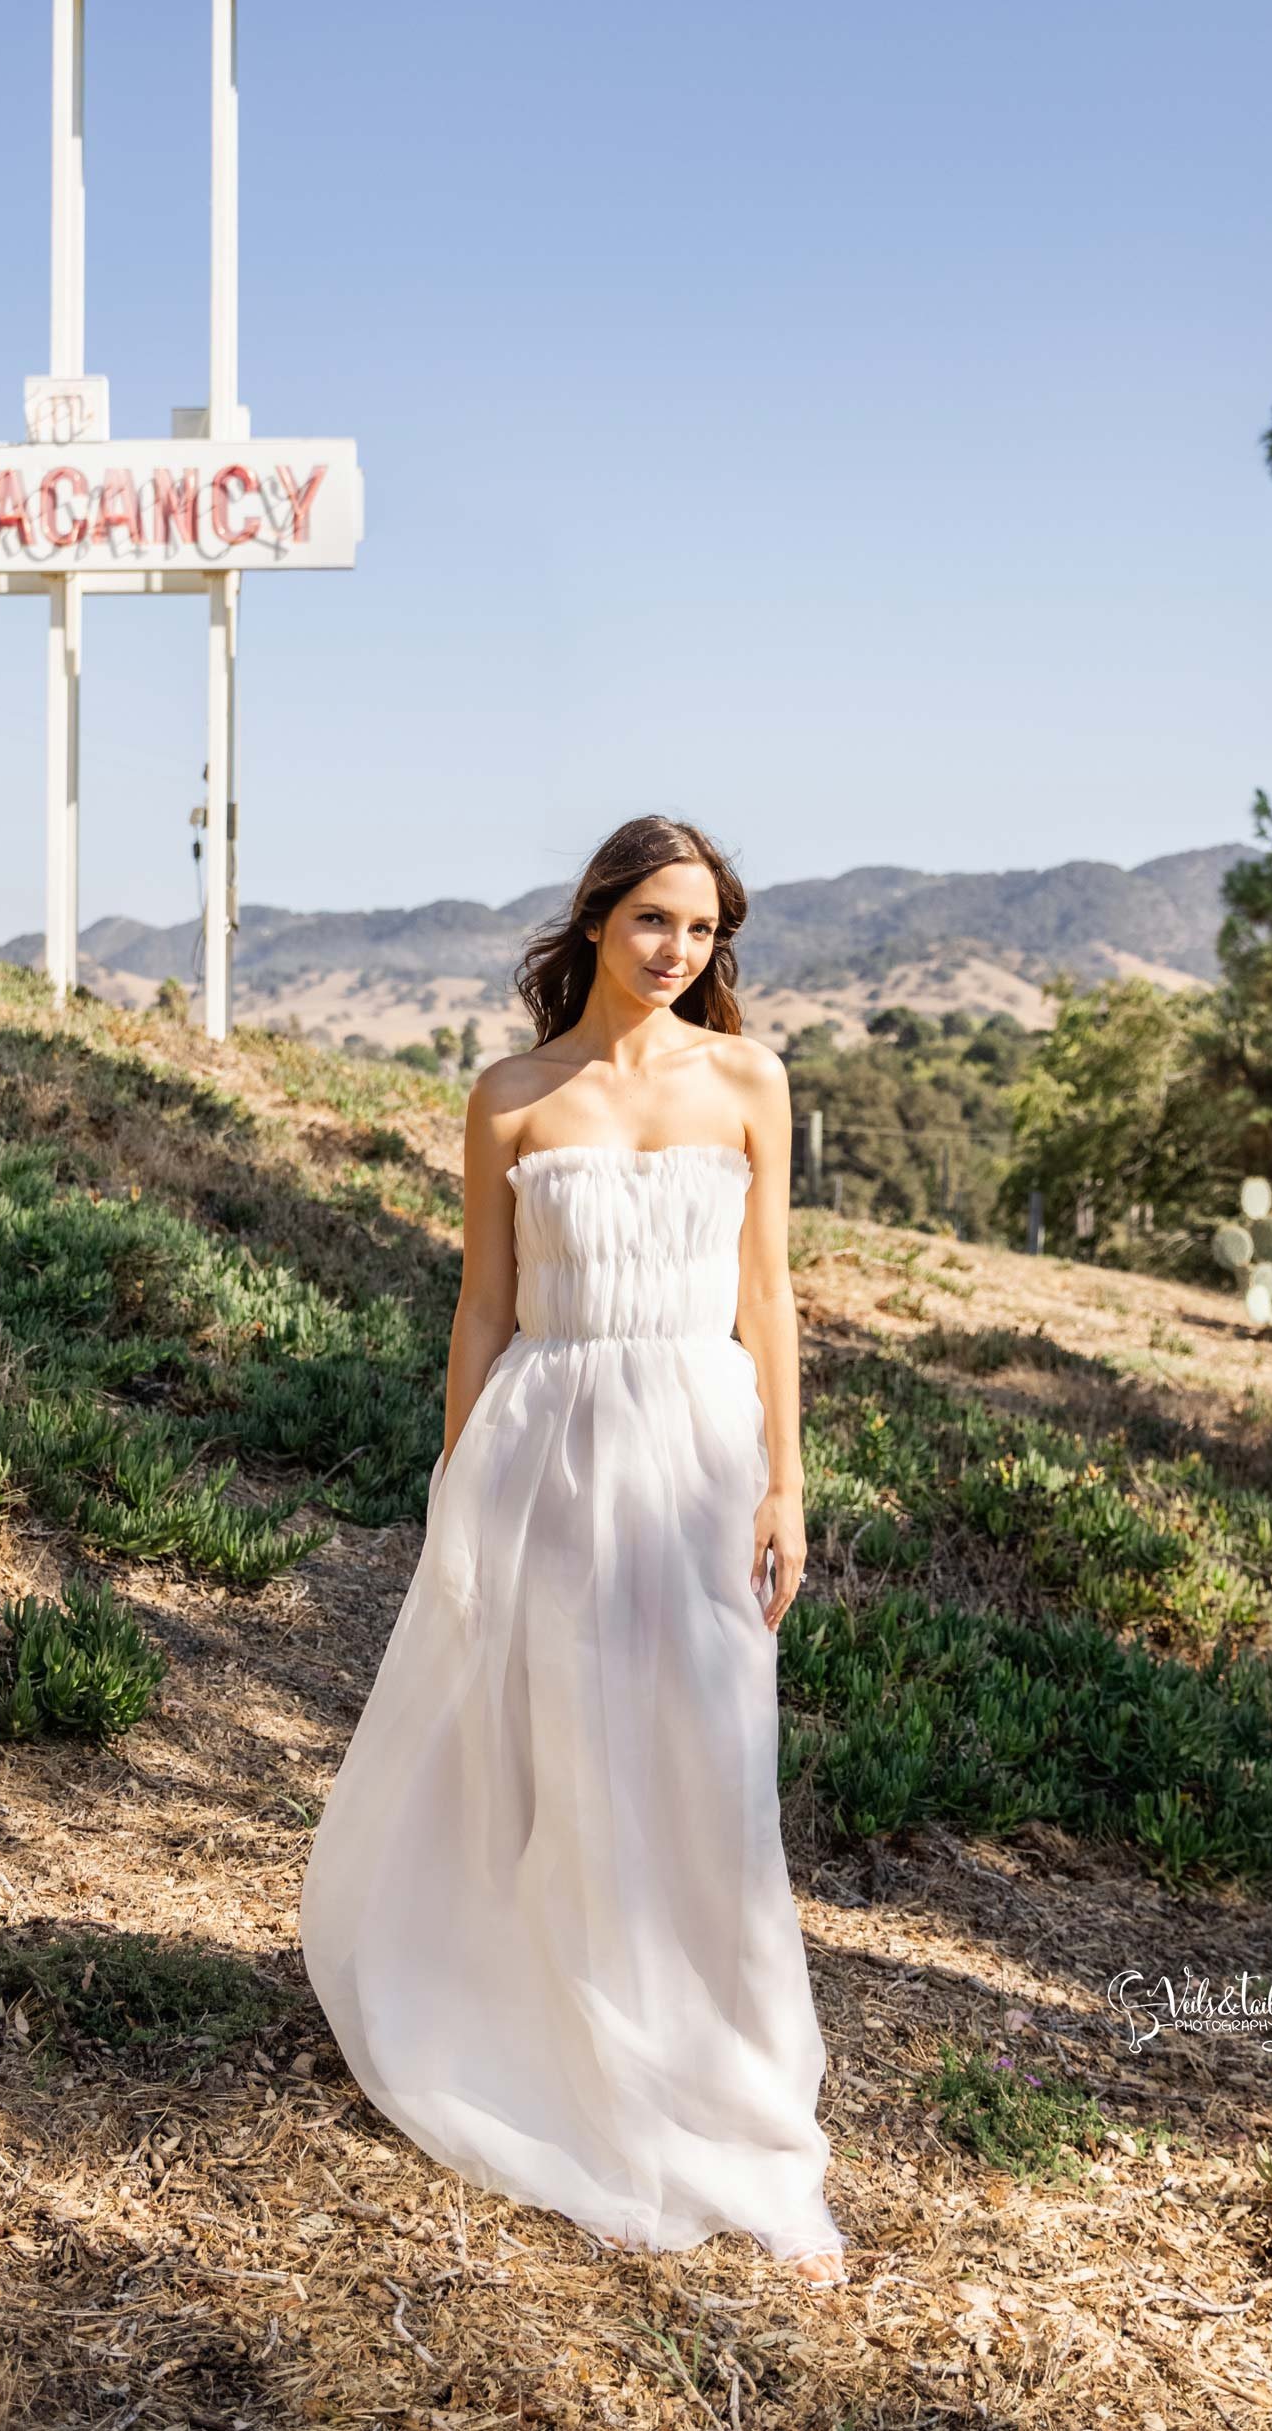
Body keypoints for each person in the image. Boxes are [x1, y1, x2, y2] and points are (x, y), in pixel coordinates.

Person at [299, 814, 848, 2282]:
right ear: (599, 920)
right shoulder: (512, 1095)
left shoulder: (749, 1080)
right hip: (545, 1442)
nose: (678, 952)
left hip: (697, 1441)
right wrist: (455, 1476)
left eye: (704, 929)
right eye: (653, 920)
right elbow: (484, 1306)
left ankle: (733, 2107)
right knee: (566, 1760)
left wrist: (785, 1486)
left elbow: (771, 1297)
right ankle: (588, 2091)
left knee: (710, 1764)